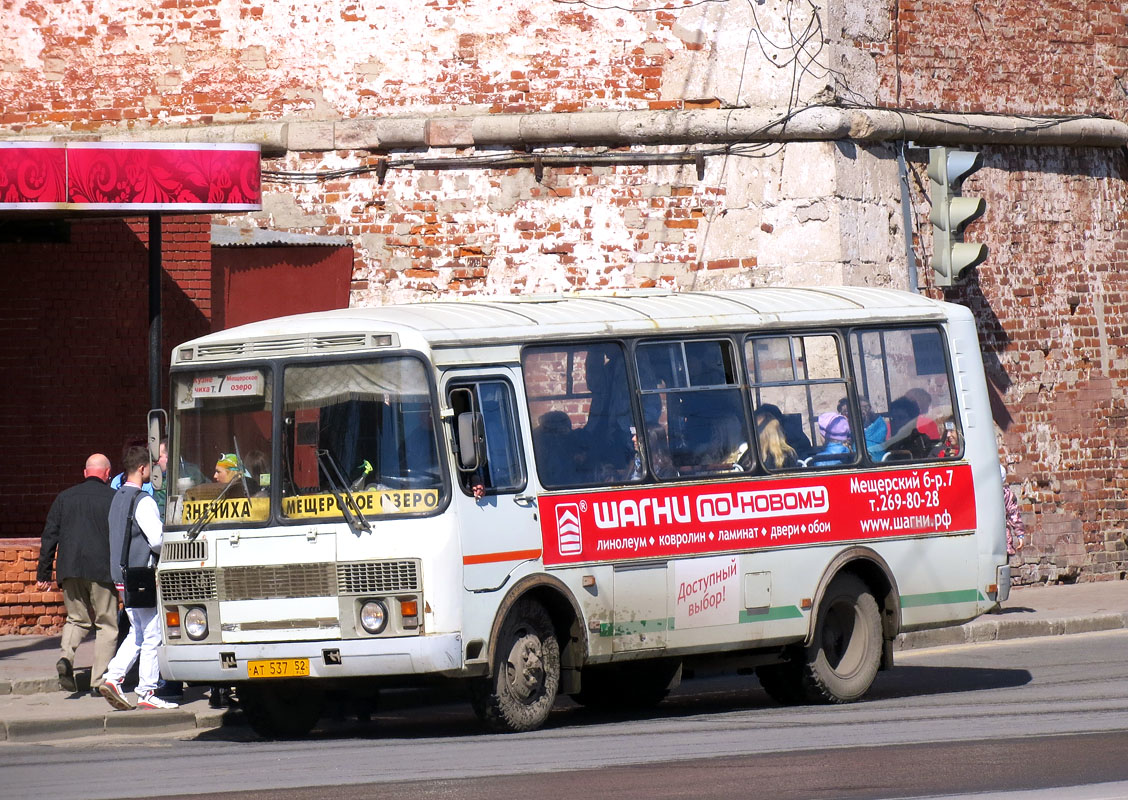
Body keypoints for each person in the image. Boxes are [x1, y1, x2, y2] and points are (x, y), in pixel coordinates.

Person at [99, 445, 178, 711]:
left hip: (121, 575)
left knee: (138, 632)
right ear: (143, 469)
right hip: (142, 574)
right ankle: (146, 691)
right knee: (153, 633)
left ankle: (113, 677)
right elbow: (157, 540)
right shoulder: (143, 501)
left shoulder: (116, 497)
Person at [36, 453, 118, 695]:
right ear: (107, 474)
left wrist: (43, 573)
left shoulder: (64, 498)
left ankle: (66, 657)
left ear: (85, 473)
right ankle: (98, 681)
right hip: (102, 570)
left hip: (69, 569)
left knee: (76, 619)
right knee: (107, 624)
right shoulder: (113, 498)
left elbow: (49, 535)